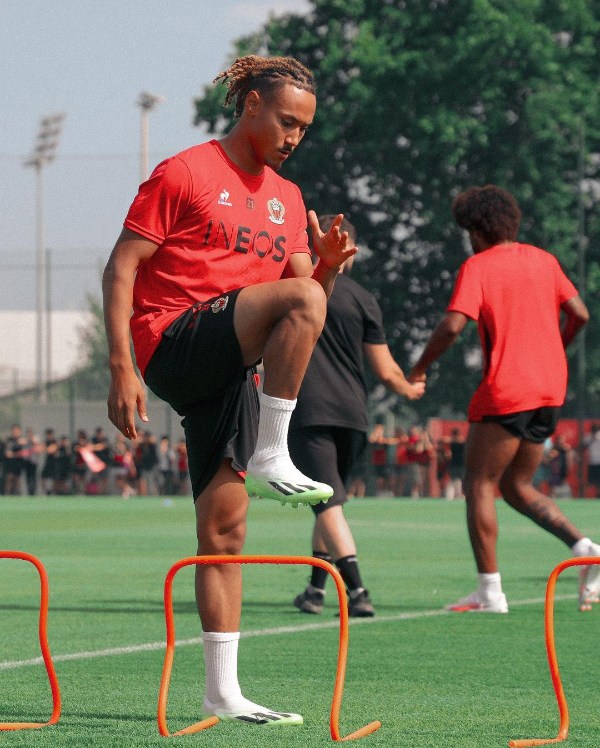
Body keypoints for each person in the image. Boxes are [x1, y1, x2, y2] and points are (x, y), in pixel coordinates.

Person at [102, 56, 356, 725]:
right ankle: (275, 449)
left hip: (231, 363)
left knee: (225, 531)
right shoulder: (184, 172)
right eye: (285, 120)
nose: (295, 135)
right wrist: (121, 367)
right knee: (298, 297)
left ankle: (222, 691)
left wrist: (326, 266)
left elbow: (308, 306)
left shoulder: (289, 197)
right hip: (173, 339)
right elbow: (121, 265)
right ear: (249, 104)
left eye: (305, 126)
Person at [409, 184, 600, 613]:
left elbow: (452, 326)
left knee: (477, 483)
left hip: (508, 390)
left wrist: (420, 367)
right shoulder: (544, 260)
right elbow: (581, 314)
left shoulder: (478, 265)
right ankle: (586, 548)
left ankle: (490, 593)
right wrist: (555, 348)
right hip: (550, 389)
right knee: (516, 486)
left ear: (477, 231)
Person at [289, 216, 425, 618]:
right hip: (353, 414)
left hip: (310, 409)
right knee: (328, 498)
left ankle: (358, 589)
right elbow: (386, 370)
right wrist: (409, 389)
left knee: (327, 503)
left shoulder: (298, 290)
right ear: (354, 251)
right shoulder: (364, 298)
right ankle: (316, 589)